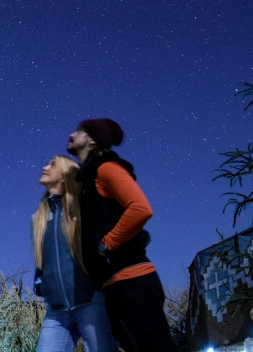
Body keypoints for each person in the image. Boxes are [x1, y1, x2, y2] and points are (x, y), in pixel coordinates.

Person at [67, 118, 177, 352]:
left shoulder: (105, 167)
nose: (71, 135)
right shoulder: (86, 180)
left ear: (92, 139)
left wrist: (105, 245)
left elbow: (140, 209)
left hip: (132, 281)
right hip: (114, 285)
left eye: (78, 131)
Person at [32, 155, 119, 352]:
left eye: (52, 164)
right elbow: (42, 258)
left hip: (89, 301)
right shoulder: (40, 218)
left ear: (65, 176)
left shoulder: (83, 210)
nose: (45, 166)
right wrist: (41, 282)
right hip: (56, 310)